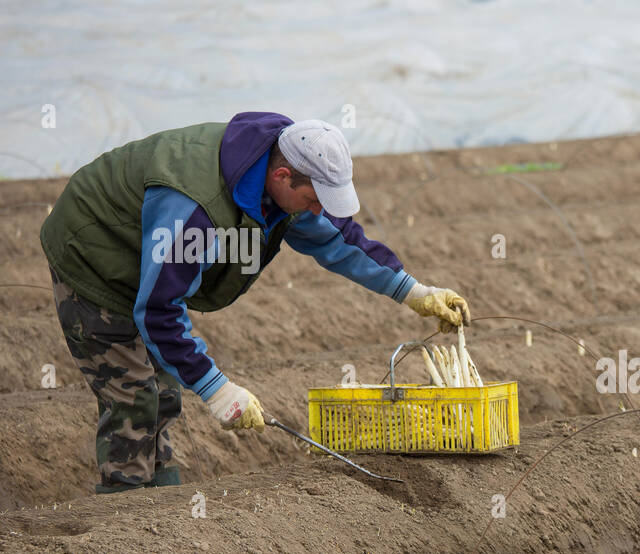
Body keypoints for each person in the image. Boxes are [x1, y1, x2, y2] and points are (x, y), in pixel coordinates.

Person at [41, 112, 470, 494]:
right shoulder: (197, 207)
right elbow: (157, 309)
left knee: (164, 389)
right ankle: (125, 516)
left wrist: (415, 292)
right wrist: (217, 389)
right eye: (314, 198)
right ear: (283, 177)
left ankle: (160, 503)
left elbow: (340, 239)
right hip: (93, 254)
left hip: (151, 254)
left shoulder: (280, 173)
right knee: (133, 395)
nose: (318, 209)